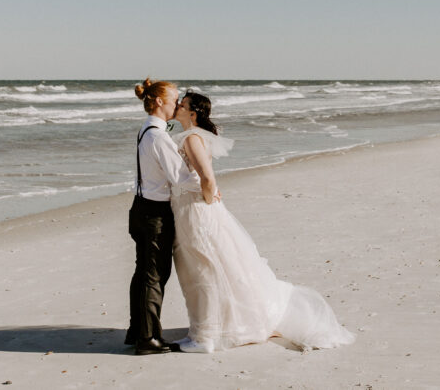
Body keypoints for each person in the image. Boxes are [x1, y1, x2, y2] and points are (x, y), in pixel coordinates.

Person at [169, 90, 355, 353]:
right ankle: (212, 329)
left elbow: (208, 179)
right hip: (196, 207)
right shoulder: (195, 137)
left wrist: (207, 202)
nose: (177, 106)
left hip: (198, 210)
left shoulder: (191, 138)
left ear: (193, 113)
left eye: (182, 104)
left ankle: (206, 336)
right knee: (211, 268)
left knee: (204, 270)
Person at [125, 78, 202, 355]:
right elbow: (181, 179)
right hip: (154, 214)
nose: (177, 104)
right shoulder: (158, 136)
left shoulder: (146, 129)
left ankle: (137, 330)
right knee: (154, 276)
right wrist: (204, 177)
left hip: (140, 207)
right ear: (159, 102)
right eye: (173, 100)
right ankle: (147, 339)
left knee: (143, 273)